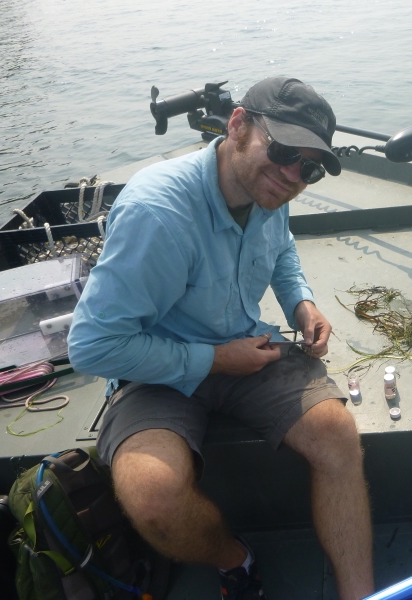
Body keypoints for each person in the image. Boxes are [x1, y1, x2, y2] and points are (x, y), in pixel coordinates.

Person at [67, 77, 374, 600]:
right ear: (237, 125)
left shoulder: (270, 189)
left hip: (246, 350)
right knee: (154, 499)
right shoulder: (156, 213)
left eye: (310, 167)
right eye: (280, 150)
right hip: (155, 370)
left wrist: (300, 302)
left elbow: (281, 249)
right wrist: (213, 360)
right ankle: (236, 558)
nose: (291, 174)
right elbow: (92, 346)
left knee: (337, 435)